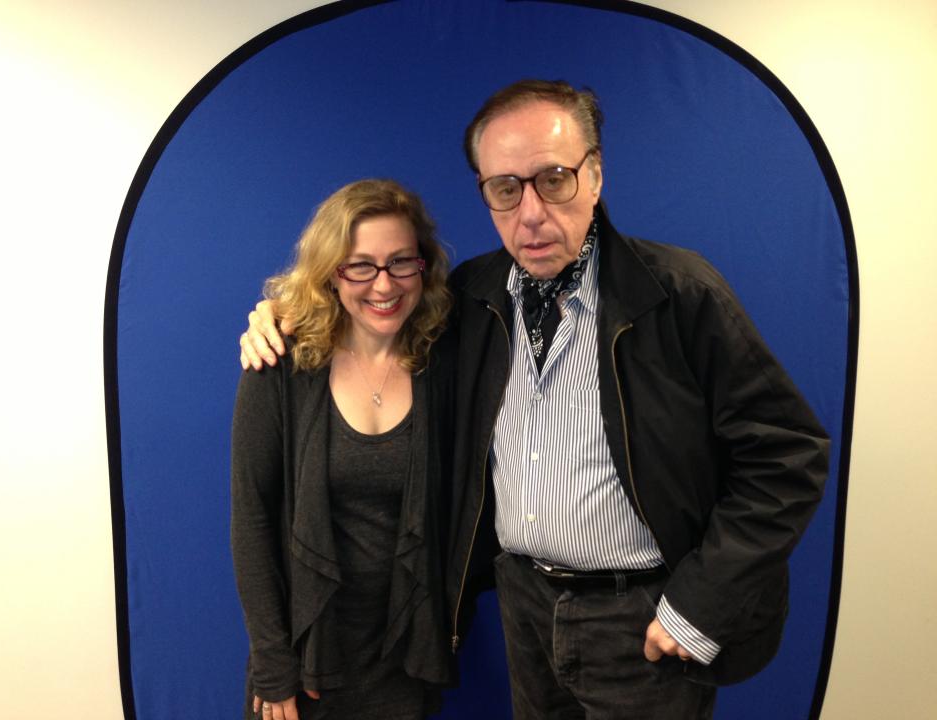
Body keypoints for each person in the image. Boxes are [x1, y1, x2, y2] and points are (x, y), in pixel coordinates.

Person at [240, 80, 830, 720]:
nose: (530, 213)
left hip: (646, 621)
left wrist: (699, 604)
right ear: (486, 195)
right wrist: (280, 313)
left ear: (595, 175)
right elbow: (370, 308)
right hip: (524, 608)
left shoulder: (680, 295)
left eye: (553, 179)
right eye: (505, 188)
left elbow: (787, 457)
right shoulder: (471, 300)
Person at [231, 179, 454, 720]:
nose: (384, 284)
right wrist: (271, 662)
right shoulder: (282, 363)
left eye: (402, 262)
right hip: (307, 660)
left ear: (423, 267)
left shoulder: (447, 358)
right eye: (361, 265)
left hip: (405, 657)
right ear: (332, 271)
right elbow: (251, 519)